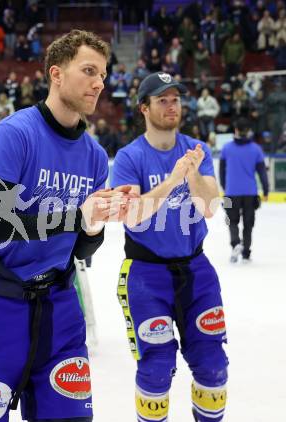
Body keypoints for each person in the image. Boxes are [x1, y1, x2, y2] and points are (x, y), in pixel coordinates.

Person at [0, 30, 128, 422]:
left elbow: (78, 248)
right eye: (88, 71)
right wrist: (77, 218)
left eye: (103, 75)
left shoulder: (93, 156)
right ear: (56, 74)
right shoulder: (15, 134)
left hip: (58, 307)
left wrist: (93, 229)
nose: (99, 83)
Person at [111, 72, 229, 422]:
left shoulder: (198, 150)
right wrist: (173, 178)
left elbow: (209, 206)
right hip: (147, 274)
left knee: (213, 365)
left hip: (197, 270)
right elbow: (133, 216)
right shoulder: (129, 158)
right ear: (144, 108)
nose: (171, 105)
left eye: (175, 99)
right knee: (157, 366)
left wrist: (191, 174)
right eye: (162, 99)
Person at [219, 117, 269, 263]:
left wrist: (224, 186)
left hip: (230, 192)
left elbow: (221, 170)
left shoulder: (226, 148)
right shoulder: (256, 149)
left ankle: (235, 243)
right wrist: (266, 190)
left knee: (231, 221)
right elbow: (262, 173)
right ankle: (246, 252)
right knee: (248, 223)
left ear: (236, 130)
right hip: (250, 193)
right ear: (249, 132)